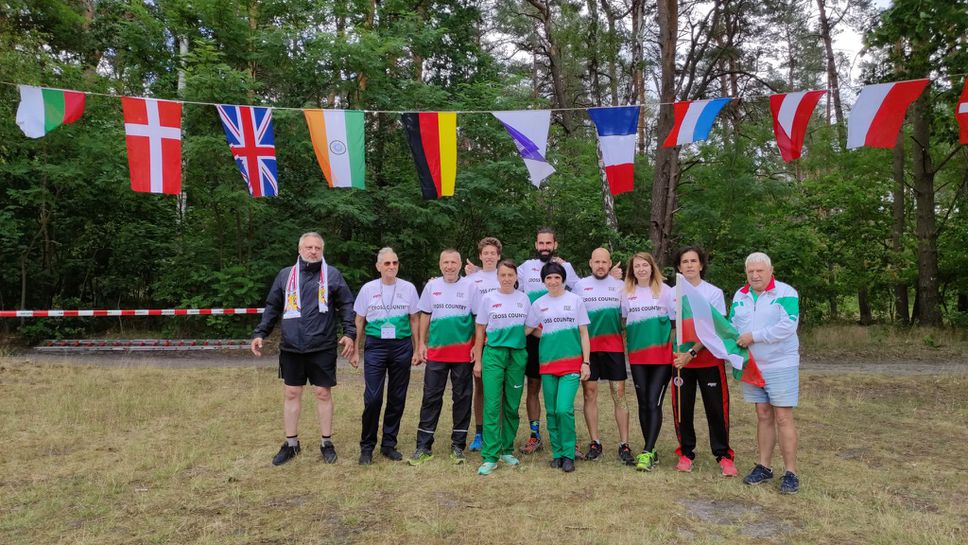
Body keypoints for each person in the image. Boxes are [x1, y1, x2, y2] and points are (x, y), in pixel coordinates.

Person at [251, 232, 356, 466]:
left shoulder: (332, 275)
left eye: (318, 248)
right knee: (291, 393)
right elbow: (272, 307)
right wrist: (260, 333)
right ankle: (291, 444)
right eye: (309, 247)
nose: (313, 251)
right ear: (299, 250)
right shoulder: (286, 275)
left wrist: (349, 333)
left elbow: (347, 305)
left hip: (322, 345)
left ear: (322, 251)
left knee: (323, 393)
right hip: (292, 346)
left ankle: (326, 442)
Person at [730, 252, 801, 494]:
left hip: (780, 364)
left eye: (760, 270)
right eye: (750, 271)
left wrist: (754, 336)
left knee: (782, 417)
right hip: (752, 365)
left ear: (771, 271)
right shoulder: (740, 295)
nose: (755, 275)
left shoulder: (786, 293)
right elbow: (732, 326)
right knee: (762, 415)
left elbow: (788, 326)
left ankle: (791, 472)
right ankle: (764, 466)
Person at [671, 246, 738, 476]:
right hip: (681, 362)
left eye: (693, 261)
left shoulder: (713, 293)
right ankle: (686, 453)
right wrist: (681, 355)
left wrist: (692, 353)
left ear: (701, 265)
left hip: (707, 360)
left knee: (716, 409)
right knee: (683, 409)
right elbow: (670, 325)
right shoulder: (674, 293)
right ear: (679, 267)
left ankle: (723, 455)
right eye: (684, 262)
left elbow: (714, 331)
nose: (689, 265)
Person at [409, 249, 478, 466]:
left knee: (462, 398)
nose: (450, 266)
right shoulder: (432, 286)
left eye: (454, 262)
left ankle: (458, 446)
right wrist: (421, 344)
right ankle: (423, 446)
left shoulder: (471, 286)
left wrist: (477, 345)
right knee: (430, 398)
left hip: (463, 354)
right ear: (440, 265)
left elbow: (478, 320)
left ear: (460, 265)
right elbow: (424, 316)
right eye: (446, 262)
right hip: (437, 353)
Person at [351, 247, 420, 465]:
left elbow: (415, 320)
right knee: (373, 398)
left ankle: (389, 444)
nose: (391, 267)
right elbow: (359, 321)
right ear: (378, 266)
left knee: (397, 397)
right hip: (376, 346)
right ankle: (367, 446)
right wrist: (355, 349)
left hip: (401, 346)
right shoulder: (368, 289)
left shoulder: (408, 288)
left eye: (395, 263)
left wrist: (418, 348)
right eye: (387, 263)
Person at [517, 227, 578, 455]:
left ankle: (567, 438)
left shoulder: (567, 267)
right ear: (536, 245)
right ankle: (535, 436)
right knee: (533, 387)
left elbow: (581, 290)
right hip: (534, 337)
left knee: (563, 394)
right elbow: (508, 286)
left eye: (548, 243)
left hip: (561, 340)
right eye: (541, 243)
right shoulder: (525, 268)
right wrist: (472, 275)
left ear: (555, 244)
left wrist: (612, 278)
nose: (544, 248)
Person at [525, 262, 591, 473]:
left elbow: (583, 333)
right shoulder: (538, 304)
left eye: (556, 277)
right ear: (543, 281)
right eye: (548, 278)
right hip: (547, 364)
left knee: (564, 409)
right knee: (552, 411)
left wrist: (586, 362)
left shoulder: (575, 300)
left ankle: (569, 454)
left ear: (563, 279)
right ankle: (558, 454)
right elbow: (530, 329)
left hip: (571, 364)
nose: (553, 281)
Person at [472, 260, 532, 475]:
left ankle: (507, 448)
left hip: (516, 355)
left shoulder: (524, 299)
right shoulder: (488, 298)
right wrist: (478, 360)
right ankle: (490, 455)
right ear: (498, 277)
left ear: (516, 277)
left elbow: (531, 325)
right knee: (492, 404)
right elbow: (480, 330)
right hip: (493, 355)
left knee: (511, 405)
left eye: (510, 275)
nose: (507, 278)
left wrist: (513, 336)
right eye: (503, 275)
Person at [574, 248, 632, 463]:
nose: (600, 265)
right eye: (596, 261)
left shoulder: (621, 287)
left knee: (619, 395)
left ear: (610, 264)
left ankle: (624, 444)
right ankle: (595, 442)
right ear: (590, 263)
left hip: (614, 348)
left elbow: (629, 316)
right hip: (589, 349)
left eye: (604, 262)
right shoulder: (580, 286)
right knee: (590, 394)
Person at [621, 252, 675, 471]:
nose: (641, 269)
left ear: (652, 267)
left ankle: (646, 451)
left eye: (645, 265)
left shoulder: (666, 291)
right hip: (637, 357)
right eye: (637, 266)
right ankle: (650, 450)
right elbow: (624, 320)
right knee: (643, 402)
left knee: (654, 402)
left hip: (662, 357)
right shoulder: (626, 293)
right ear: (631, 270)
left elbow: (676, 322)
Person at [465, 237, 503, 452]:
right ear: (480, 256)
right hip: (478, 335)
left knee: (500, 388)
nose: (489, 256)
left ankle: (496, 432)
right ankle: (479, 433)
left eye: (493, 253)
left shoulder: (507, 276)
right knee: (480, 386)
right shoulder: (471, 279)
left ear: (498, 256)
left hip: (502, 337)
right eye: (485, 253)